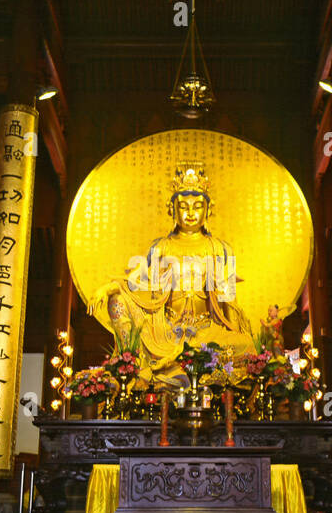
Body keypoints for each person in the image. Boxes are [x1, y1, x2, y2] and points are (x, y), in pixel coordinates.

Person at [89, 162, 256, 384]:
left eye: (197, 206)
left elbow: (228, 300)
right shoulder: (162, 247)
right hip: (166, 331)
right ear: (172, 210)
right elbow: (134, 282)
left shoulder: (218, 248)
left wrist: (236, 329)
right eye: (183, 207)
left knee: (246, 346)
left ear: (207, 211)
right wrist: (107, 288)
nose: (190, 213)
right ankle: (130, 366)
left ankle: (176, 370)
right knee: (117, 300)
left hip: (207, 331)